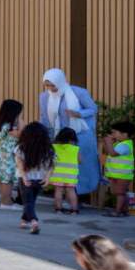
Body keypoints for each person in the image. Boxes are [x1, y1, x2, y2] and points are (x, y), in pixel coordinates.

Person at [39, 71, 100, 206]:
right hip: (59, 139)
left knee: (81, 167)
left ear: (60, 81)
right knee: (61, 167)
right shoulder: (44, 97)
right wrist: (44, 135)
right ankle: (64, 199)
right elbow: (44, 118)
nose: (50, 89)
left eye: (52, 85)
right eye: (47, 86)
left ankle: (79, 197)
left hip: (80, 136)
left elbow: (93, 109)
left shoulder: (79, 92)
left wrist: (78, 113)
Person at [15, 120, 55, 236]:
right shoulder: (48, 149)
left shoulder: (21, 148)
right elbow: (51, 165)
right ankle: (24, 221)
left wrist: (23, 177)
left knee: (28, 202)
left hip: (26, 179)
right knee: (31, 201)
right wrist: (47, 178)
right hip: (40, 180)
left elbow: (19, 163)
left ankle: (34, 222)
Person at [0, 99, 24, 208]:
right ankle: (6, 203)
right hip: (10, 156)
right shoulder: (9, 127)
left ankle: (5, 201)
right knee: (8, 180)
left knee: (3, 179)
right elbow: (23, 134)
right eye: (19, 112)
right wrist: (20, 120)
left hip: (1, 154)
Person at [99, 128, 135, 217]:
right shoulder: (118, 143)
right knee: (117, 192)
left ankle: (118, 211)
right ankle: (124, 210)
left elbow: (113, 153)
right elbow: (108, 152)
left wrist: (109, 141)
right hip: (116, 174)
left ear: (125, 134)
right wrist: (105, 142)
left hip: (123, 174)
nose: (113, 134)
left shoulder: (125, 145)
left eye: (115, 132)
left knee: (120, 193)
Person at [52, 128, 84, 216]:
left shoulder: (55, 147)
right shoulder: (75, 149)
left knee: (58, 191)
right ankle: (74, 210)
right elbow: (80, 161)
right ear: (73, 139)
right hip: (71, 175)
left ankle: (58, 209)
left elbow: (51, 159)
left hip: (58, 174)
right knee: (71, 191)